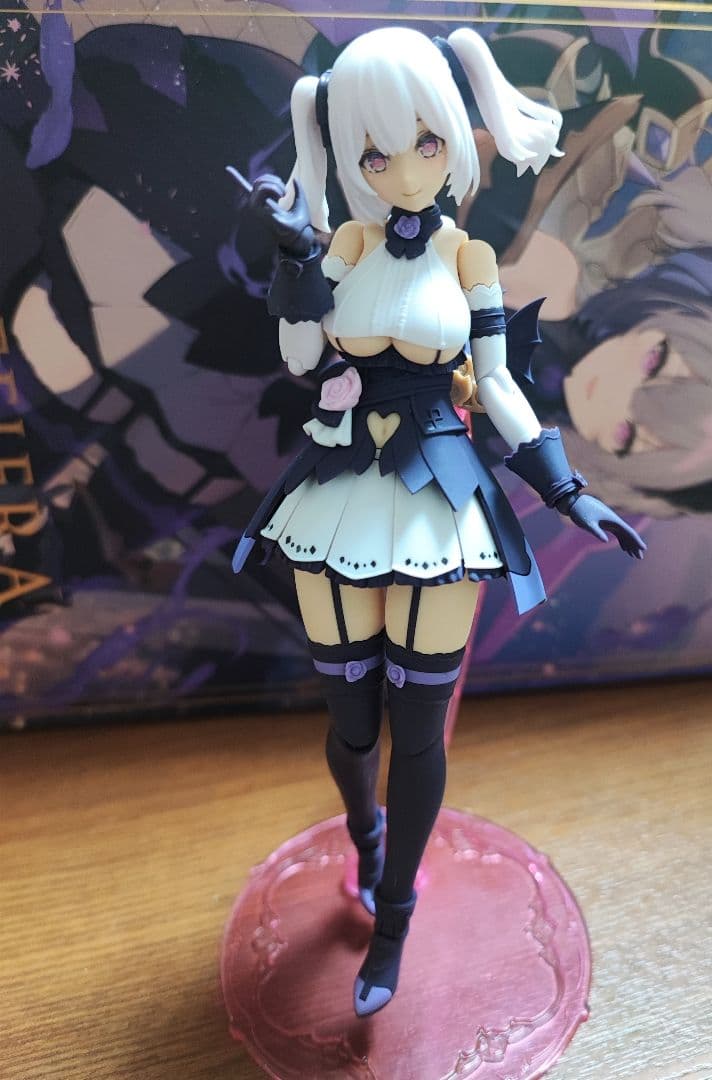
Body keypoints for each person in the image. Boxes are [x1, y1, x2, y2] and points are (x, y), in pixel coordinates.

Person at [232, 26, 645, 1017]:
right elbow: (301, 357)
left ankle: (395, 921)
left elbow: (497, 385)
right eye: (376, 154)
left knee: (417, 727)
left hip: (440, 498)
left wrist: (566, 490)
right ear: (350, 157)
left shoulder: (470, 254)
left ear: (455, 136)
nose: (408, 170)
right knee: (351, 720)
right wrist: (295, 257)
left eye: (425, 142)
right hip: (340, 488)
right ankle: (365, 836)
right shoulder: (344, 242)